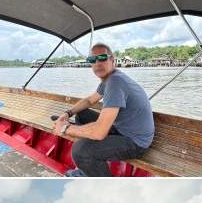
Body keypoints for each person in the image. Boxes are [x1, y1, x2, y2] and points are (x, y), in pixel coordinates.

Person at [52, 43, 154, 177]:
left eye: (102, 58)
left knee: (80, 151)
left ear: (112, 59)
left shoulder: (115, 83)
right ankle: (89, 164)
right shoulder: (109, 79)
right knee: (82, 114)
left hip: (135, 142)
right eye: (92, 60)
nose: (97, 63)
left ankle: (94, 174)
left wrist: (65, 128)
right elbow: (90, 100)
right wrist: (68, 113)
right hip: (121, 128)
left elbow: (99, 132)